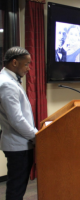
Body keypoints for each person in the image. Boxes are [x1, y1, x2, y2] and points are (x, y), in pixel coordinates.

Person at [0, 47, 38, 200]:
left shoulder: (10, 80)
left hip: (20, 143)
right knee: (16, 188)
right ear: (14, 62)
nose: (29, 68)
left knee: (17, 186)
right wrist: (37, 136)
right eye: (26, 64)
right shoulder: (7, 84)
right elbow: (17, 119)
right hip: (18, 146)